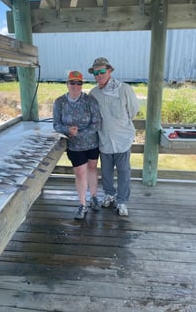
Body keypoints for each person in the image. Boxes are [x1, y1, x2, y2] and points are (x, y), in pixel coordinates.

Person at [89, 58, 140, 217]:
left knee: (124, 171)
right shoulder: (93, 93)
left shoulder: (124, 89)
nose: (99, 75)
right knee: (106, 172)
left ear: (109, 71)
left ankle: (122, 201)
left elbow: (133, 111)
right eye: (96, 73)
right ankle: (109, 194)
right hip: (104, 141)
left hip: (122, 140)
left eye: (102, 71)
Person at [53, 71, 102, 220]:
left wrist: (79, 133)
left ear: (82, 85)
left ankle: (94, 196)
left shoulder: (90, 100)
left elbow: (97, 123)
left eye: (78, 83)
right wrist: (66, 130)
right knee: (80, 173)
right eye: (72, 83)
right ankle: (82, 204)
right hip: (74, 146)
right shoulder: (60, 102)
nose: (75, 86)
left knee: (92, 169)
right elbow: (56, 124)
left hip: (92, 143)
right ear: (67, 84)